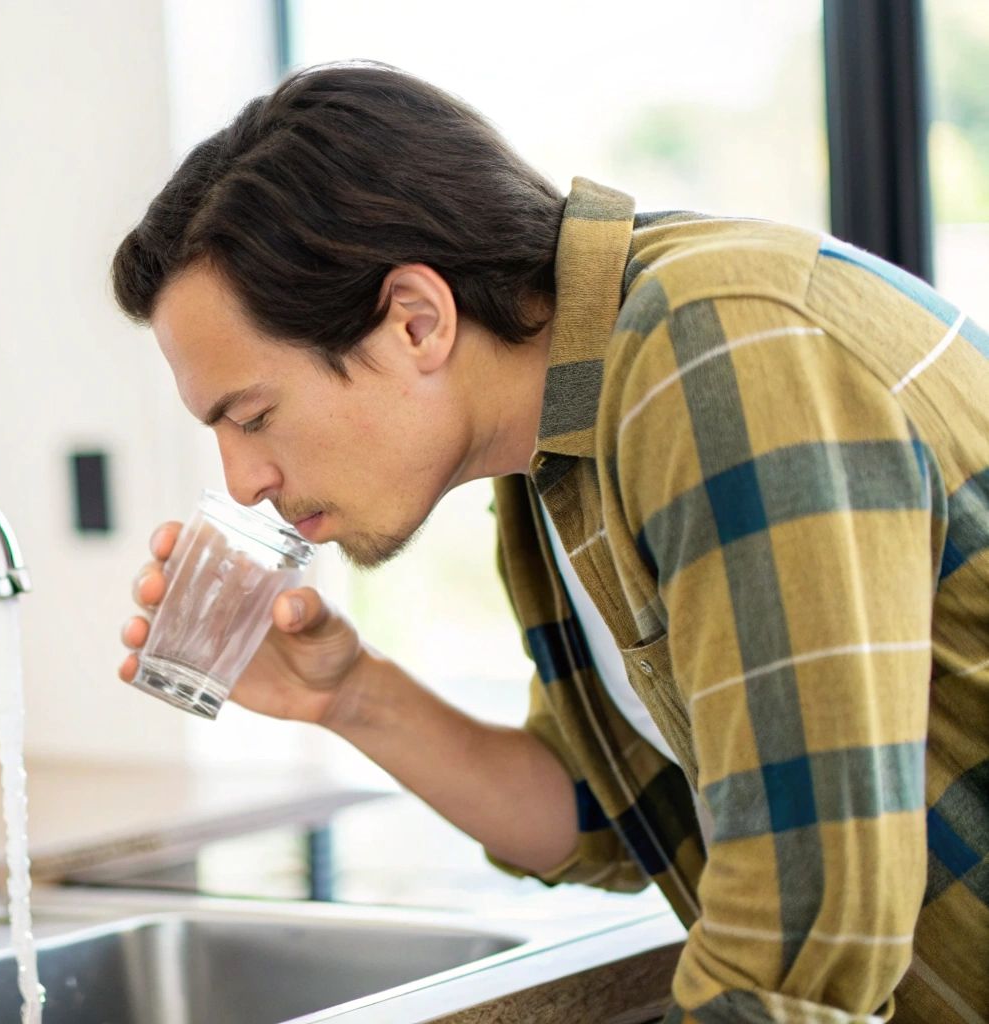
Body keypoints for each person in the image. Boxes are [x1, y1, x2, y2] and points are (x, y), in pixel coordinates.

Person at [111, 61, 987, 1022]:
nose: (245, 481)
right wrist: (347, 696)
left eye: (253, 414)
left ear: (416, 319)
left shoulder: (716, 353)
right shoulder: (557, 454)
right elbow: (607, 812)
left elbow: (807, 938)